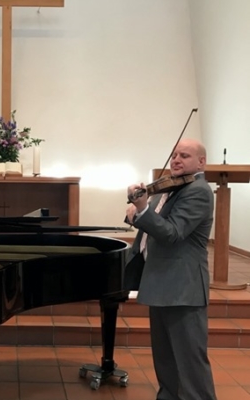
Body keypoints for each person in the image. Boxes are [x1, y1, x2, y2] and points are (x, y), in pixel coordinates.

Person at [124, 138, 217, 400]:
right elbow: (151, 221)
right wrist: (137, 210)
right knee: (166, 362)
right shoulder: (170, 188)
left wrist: (142, 209)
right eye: (175, 154)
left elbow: (172, 233)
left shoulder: (197, 190)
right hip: (161, 283)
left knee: (190, 365)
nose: (176, 159)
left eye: (184, 155)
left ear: (201, 162)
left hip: (182, 288)